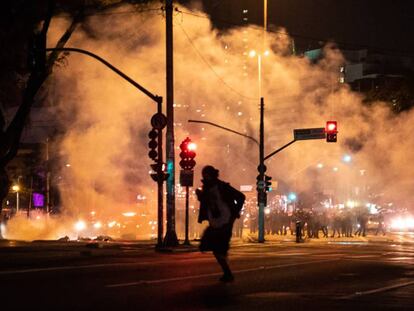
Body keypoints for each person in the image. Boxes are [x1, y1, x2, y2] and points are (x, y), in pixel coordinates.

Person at [196, 165, 246, 282]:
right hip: (214, 222)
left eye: (208, 175)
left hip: (225, 221)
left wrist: (234, 213)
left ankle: (228, 273)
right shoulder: (206, 189)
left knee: (219, 248)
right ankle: (227, 272)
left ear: (213, 175)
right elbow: (207, 203)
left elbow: (241, 197)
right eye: (204, 175)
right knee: (210, 247)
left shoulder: (222, 187)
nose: (206, 177)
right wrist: (200, 197)